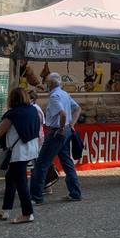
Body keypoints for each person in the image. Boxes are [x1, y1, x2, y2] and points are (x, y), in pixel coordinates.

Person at [30, 72, 82, 204]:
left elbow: (63, 113)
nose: (45, 84)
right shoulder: (64, 93)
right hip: (66, 132)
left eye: (47, 82)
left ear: (51, 83)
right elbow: (77, 109)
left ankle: (36, 197)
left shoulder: (54, 96)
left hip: (57, 133)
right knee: (67, 162)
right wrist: (71, 125)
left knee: (42, 164)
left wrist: (61, 127)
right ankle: (75, 193)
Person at [0, 87, 40, 224]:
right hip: (30, 149)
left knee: (21, 183)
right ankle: (5, 210)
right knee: (10, 178)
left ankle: (27, 213)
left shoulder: (12, 114)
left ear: (11, 99)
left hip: (19, 152)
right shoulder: (32, 109)